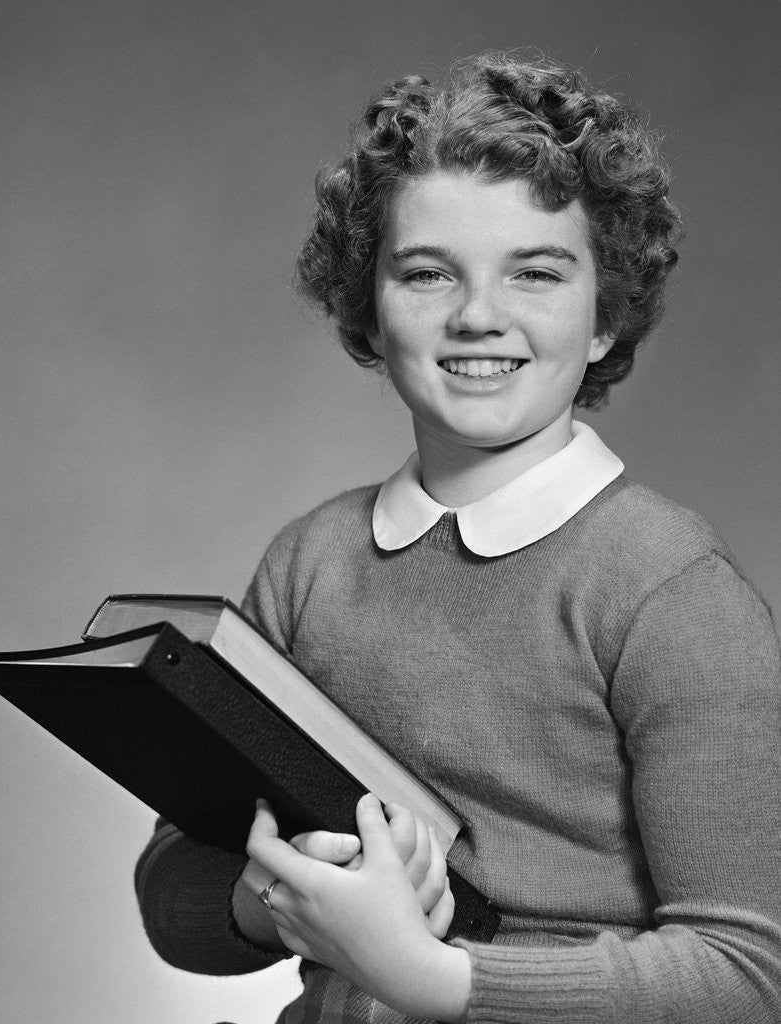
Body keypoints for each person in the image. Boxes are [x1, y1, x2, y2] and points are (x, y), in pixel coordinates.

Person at [134, 53, 781, 1023]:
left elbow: (745, 976)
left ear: (604, 318)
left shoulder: (670, 589)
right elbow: (171, 890)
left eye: (535, 272)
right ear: (368, 306)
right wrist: (283, 898)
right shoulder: (309, 564)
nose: (479, 315)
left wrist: (428, 976)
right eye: (429, 273)